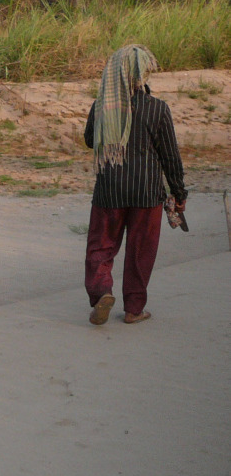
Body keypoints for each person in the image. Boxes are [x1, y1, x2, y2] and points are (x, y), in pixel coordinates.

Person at [83, 44, 187, 326]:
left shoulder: (101, 106)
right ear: (144, 72)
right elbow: (170, 155)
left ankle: (102, 292)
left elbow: (90, 140)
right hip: (147, 192)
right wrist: (179, 193)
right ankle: (133, 309)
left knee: (100, 247)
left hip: (109, 190)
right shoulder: (158, 108)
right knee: (141, 252)